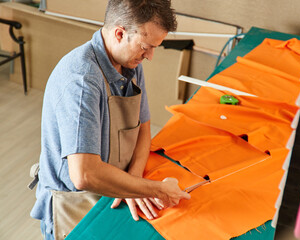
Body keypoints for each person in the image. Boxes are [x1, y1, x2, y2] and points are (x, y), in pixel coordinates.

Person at [30, 0, 190, 239]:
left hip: (116, 188)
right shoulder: (82, 80)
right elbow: (84, 175)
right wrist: (156, 189)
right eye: (146, 47)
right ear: (119, 33)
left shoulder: (131, 64)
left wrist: (132, 184)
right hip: (75, 202)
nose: (150, 56)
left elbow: (143, 129)